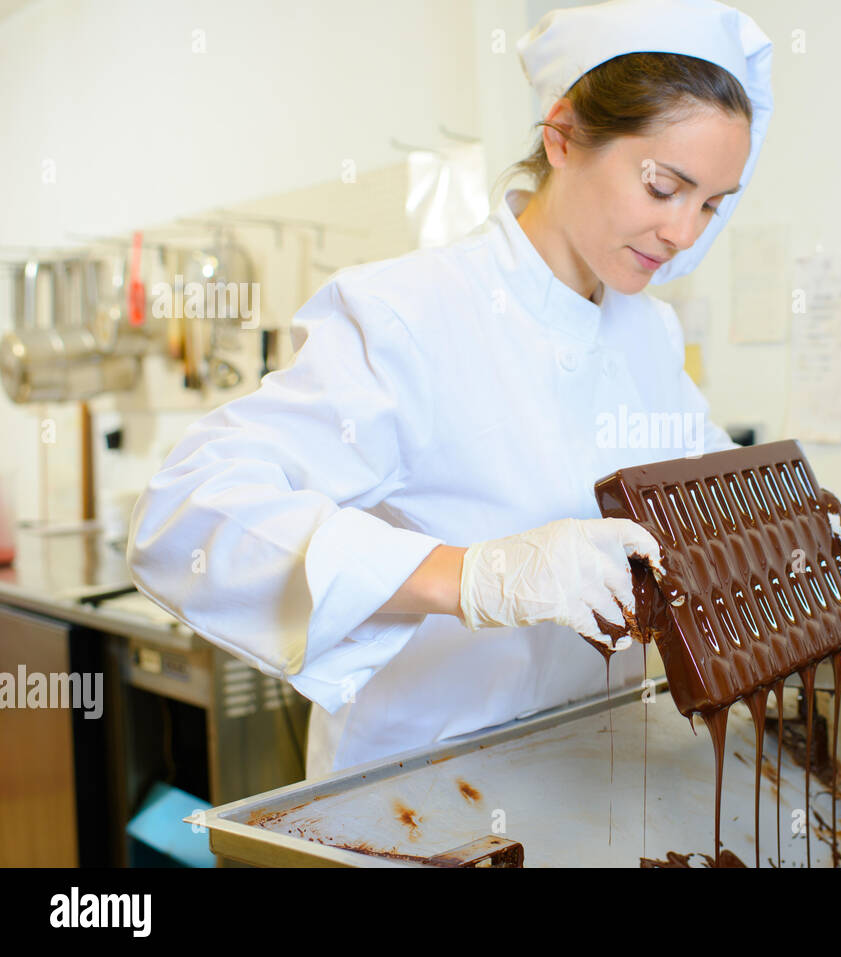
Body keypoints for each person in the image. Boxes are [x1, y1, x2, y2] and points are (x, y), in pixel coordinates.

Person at [127, 0, 774, 778]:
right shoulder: (406, 314)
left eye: (710, 204)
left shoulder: (649, 333)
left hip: (593, 787)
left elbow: (705, 498)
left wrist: (787, 539)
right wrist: (475, 576)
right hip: (415, 802)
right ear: (561, 135)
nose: (684, 233)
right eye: (665, 187)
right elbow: (184, 517)